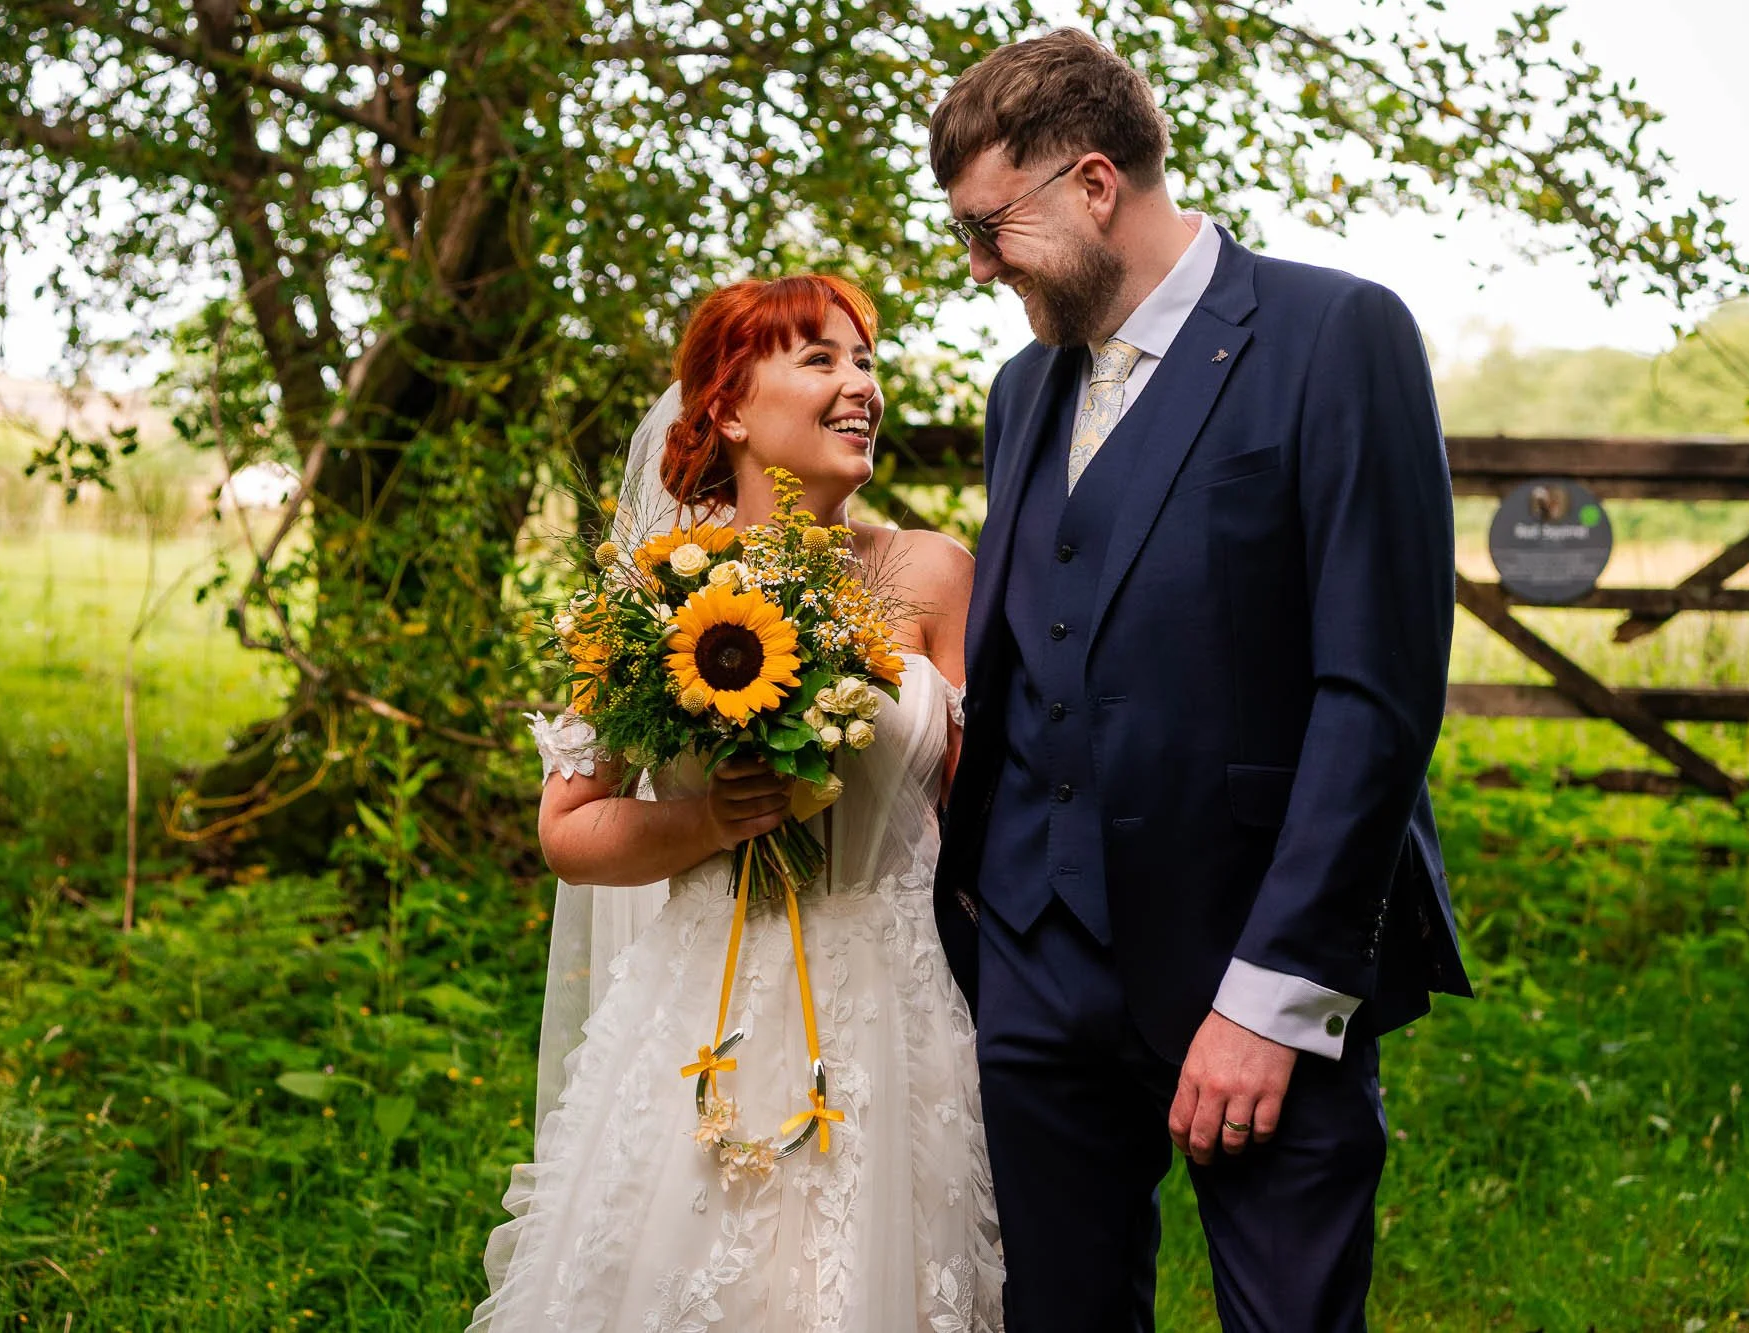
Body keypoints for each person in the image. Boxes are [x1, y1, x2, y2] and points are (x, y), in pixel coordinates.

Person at [926, 29, 1473, 1333]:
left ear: (1095, 184)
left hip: (1251, 959)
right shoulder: (1023, 389)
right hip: (1033, 966)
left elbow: (1376, 697)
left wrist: (1275, 997)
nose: (978, 263)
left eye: (991, 227)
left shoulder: (1336, 334)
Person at [470, 274, 1002, 1332]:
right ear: (724, 407)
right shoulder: (652, 596)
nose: (859, 386)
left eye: (864, 361)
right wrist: (708, 820)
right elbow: (569, 831)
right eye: (820, 360)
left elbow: (990, 807)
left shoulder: (935, 573)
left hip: (899, 1010)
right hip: (699, 1010)